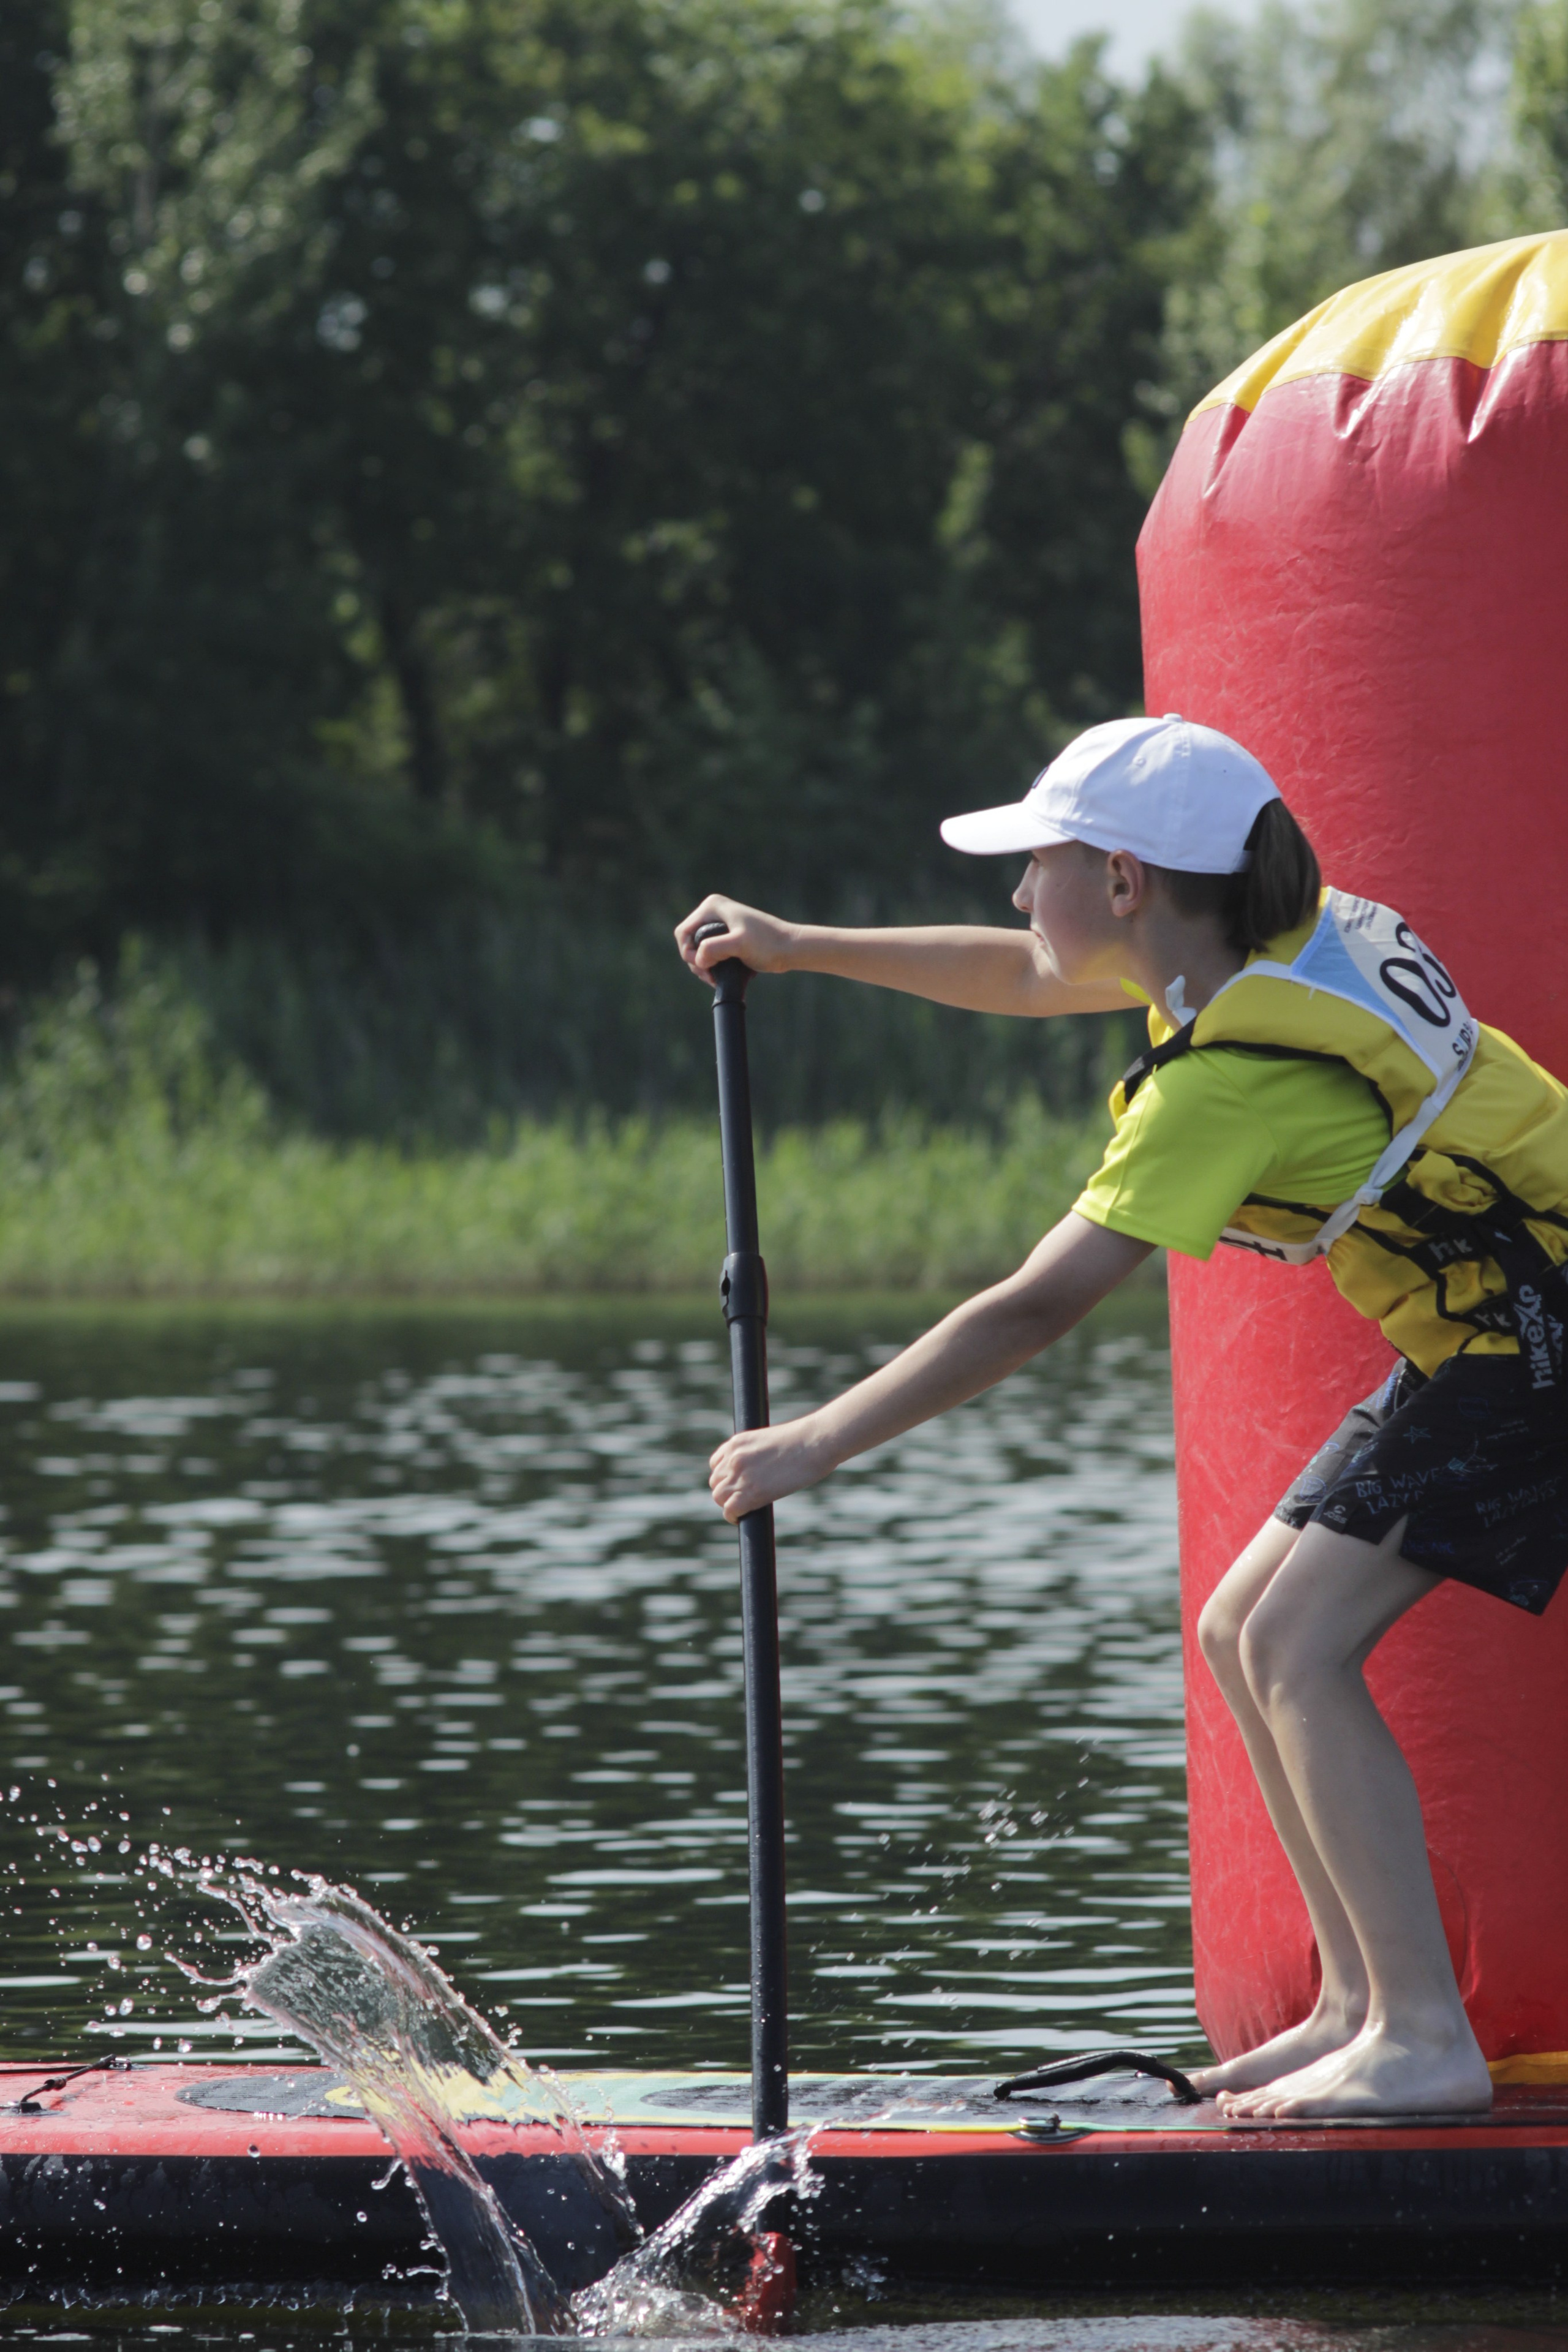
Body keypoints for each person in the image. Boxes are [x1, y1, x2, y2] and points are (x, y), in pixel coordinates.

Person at [674, 713, 1568, 2123]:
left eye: (1040, 864)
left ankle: (1422, 2037)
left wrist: (811, 1445)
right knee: (1237, 1626)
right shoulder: (1268, 944)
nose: (1021, 895)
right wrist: (798, 947)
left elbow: (1029, 1309)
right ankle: (1354, 2002)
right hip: (1488, 1328)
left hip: (1534, 1344)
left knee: (1294, 1641)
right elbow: (1023, 977)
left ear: (1128, 882)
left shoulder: (1222, 1087)